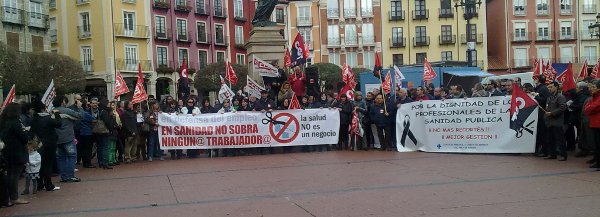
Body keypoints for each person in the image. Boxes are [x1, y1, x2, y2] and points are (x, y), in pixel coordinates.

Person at [0, 103, 30, 204]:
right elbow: (23, 137)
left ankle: (8, 196)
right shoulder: (15, 122)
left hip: (7, 150)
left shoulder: (3, 122)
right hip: (17, 151)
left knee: (9, 174)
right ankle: (14, 197)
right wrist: (26, 132)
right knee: (15, 175)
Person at [30, 100, 61, 192]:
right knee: (48, 164)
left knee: (40, 164)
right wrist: (57, 114)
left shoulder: (34, 119)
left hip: (39, 144)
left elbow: (32, 132)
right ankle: (49, 185)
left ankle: (40, 185)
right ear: (43, 109)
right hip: (50, 143)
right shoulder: (47, 118)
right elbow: (59, 123)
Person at [53, 96, 84, 182]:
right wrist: (80, 107)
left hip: (57, 138)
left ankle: (63, 176)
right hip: (68, 137)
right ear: (62, 102)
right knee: (71, 156)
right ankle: (70, 176)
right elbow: (81, 116)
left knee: (61, 157)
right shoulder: (66, 110)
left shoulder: (51, 112)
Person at [544, 82, 567, 161]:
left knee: (560, 139)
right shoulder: (549, 97)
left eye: (551, 87)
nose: (549, 89)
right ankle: (552, 154)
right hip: (549, 122)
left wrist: (552, 113)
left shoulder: (560, 97)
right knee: (550, 139)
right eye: (548, 87)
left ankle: (563, 155)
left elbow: (562, 108)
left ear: (556, 87)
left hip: (557, 122)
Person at [534, 75, 551, 157]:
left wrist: (535, 96)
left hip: (542, 113)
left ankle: (545, 151)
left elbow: (545, 100)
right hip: (540, 114)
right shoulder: (541, 88)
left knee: (543, 133)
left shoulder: (543, 88)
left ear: (538, 80)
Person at [585, 80, 600, 170]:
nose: (591, 89)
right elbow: (588, 107)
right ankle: (596, 159)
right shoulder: (594, 97)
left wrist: (589, 108)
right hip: (594, 123)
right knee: (595, 143)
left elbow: (592, 107)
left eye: (594, 87)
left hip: (598, 124)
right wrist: (589, 108)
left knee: (598, 144)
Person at [77, 100, 96, 168]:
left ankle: (85, 162)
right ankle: (87, 163)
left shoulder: (78, 112)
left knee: (83, 148)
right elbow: (93, 119)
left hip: (81, 132)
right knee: (88, 149)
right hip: (87, 133)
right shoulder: (85, 113)